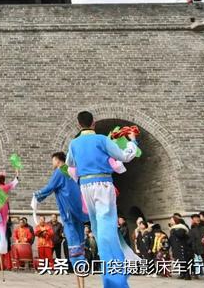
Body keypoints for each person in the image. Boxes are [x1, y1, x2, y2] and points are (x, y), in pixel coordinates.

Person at [66, 111, 138, 288]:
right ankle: (115, 279)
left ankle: (116, 268)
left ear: (78, 124)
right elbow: (125, 156)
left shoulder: (74, 143)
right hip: (103, 184)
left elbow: (70, 164)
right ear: (94, 123)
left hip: (85, 186)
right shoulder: (102, 140)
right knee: (106, 229)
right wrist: (133, 141)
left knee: (98, 229)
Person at [32, 151, 88, 285]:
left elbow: (50, 188)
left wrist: (36, 196)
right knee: (80, 244)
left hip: (68, 213)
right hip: (79, 212)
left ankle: (79, 272)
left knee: (74, 245)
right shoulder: (73, 171)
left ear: (57, 160)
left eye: (53, 160)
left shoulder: (60, 171)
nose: (52, 163)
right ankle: (81, 280)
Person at [0, 169, 19, 267]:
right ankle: (2, 248)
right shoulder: (5, 187)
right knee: (2, 229)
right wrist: (17, 175)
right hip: (4, 209)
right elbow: (14, 183)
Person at [169, 215, 192, 280]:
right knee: (179, 261)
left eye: (171, 220)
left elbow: (180, 235)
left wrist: (173, 230)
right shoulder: (172, 228)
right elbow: (171, 238)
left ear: (175, 221)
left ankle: (187, 275)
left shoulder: (182, 227)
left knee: (184, 260)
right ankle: (182, 274)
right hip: (175, 247)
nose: (170, 221)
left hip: (182, 246)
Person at [190, 213, 204, 279]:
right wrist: (194, 249)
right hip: (199, 248)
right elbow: (193, 240)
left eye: (197, 217)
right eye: (193, 218)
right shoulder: (193, 228)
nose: (195, 219)